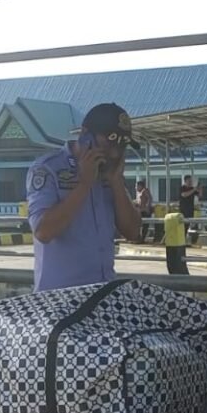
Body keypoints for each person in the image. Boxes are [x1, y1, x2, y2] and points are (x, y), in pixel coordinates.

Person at [26, 103, 141, 291]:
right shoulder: (48, 169)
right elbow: (43, 232)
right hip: (61, 296)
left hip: (103, 293)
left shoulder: (110, 173)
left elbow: (133, 232)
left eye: (121, 146)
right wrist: (84, 184)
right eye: (108, 143)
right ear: (85, 134)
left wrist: (117, 183)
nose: (114, 153)